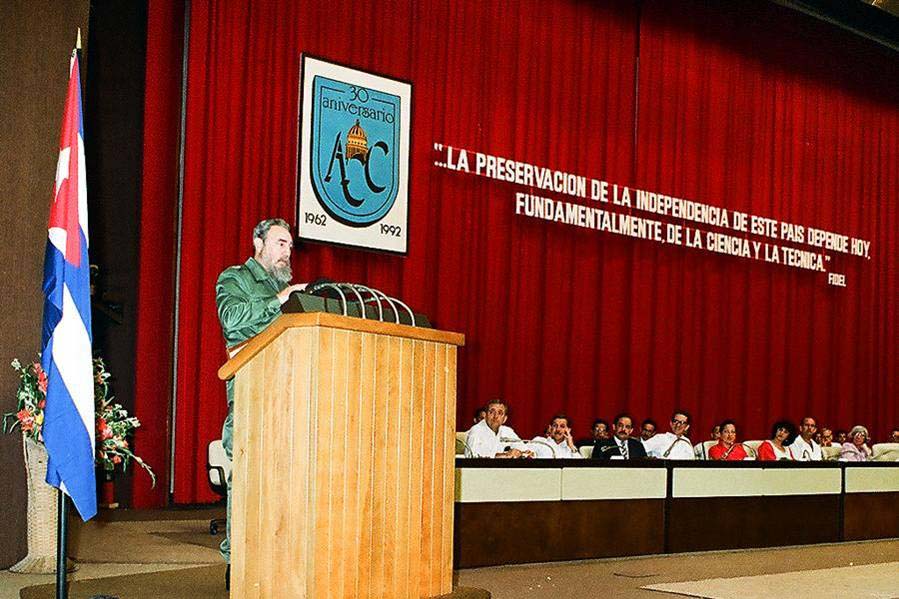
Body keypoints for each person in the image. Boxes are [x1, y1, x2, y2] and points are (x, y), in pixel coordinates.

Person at [215, 218, 306, 583]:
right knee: (248, 480)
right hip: (253, 395)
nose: (287, 252)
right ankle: (236, 563)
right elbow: (232, 319)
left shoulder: (294, 290)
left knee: (288, 480)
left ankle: (279, 558)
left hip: (293, 395)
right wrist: (279, 301)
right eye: (280, 243)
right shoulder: (234, 278)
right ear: (258, 242)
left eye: (290, 246)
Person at [464, 399, 534, 458]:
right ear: (485, 415)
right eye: (492, 412)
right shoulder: (476, 430)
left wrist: (521, 453)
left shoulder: (507, 431)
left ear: (505, 419)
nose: (495, 416)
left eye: (500, 413)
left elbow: (525, 450)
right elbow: (473, 455)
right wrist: (505, 455)